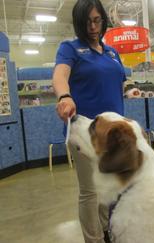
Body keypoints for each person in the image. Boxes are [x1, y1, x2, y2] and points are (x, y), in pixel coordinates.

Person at [52, 0, 127, 242]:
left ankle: (106, 231)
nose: (93, 26)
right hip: (86, 133)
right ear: (78, 23)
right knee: (90, 191)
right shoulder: (70, 48)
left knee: (110, 185)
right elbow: (60, 74)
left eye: (97, 20)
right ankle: (92, 239)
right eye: (87, 22)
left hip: (113, 131)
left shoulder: (112, 52)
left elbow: (118, 82)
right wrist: (64, 96)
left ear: (103, 20)